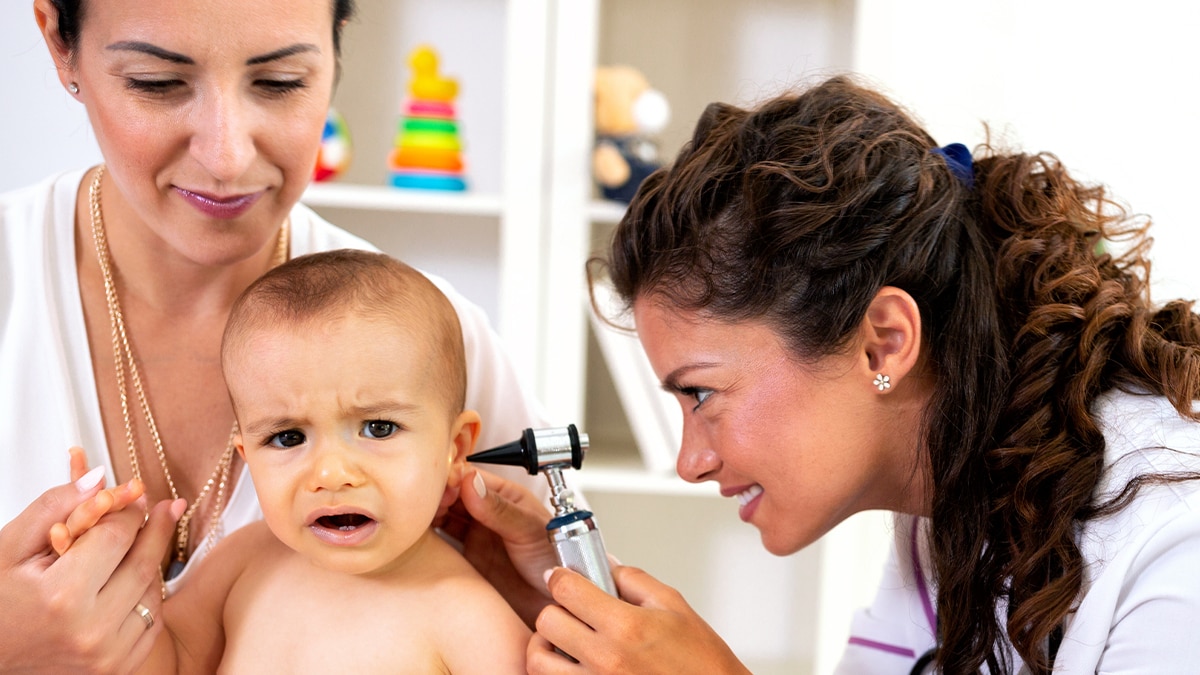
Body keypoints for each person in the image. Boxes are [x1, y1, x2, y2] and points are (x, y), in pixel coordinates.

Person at [461, 75, 1200, 674]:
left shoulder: (1175, 538)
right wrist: (567, 602)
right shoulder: (949, 510)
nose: (691, 461)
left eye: (702, 394)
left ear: (882, 343)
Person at [0, 1, 551, 671]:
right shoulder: (248, 564)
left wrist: (555, 604)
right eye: (158, 82)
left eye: (280, 81)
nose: (227, 156)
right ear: (61, 41)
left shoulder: (433, 334)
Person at [51, 250, 532, 673]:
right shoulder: (245, 561)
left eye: (378, 428)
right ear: (246, 457)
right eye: (287, 437)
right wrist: (95, 578)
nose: (331, 474)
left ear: (455, 449)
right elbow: (168, 663)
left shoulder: (469, 618)